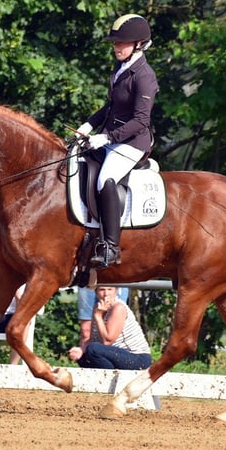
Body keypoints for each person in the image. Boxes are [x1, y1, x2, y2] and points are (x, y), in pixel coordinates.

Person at [76, 14, 159, 268]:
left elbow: (140, 122)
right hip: (111, 137)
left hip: (133, 142)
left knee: (105, 179)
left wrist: (106, 138)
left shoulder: (144, 76)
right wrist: (88, 125)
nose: (116, 47)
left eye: (122, 43)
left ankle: (111, 247)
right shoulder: (121, 68)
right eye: (115, 43)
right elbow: (111, 107)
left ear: (139, 44)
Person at [68, 285, 151, 370]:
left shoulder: (118, 308)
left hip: (138, 358)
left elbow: (107, 341)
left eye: (110, 289)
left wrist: (98, 316)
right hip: (116, 354)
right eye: (102, 290)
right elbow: (94, 339)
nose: (106, 294)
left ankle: (110, 379)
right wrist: (81, 350)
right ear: (96, 292)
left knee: (93, 349)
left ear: (116, 291)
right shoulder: (97, 307)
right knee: (83, 357)